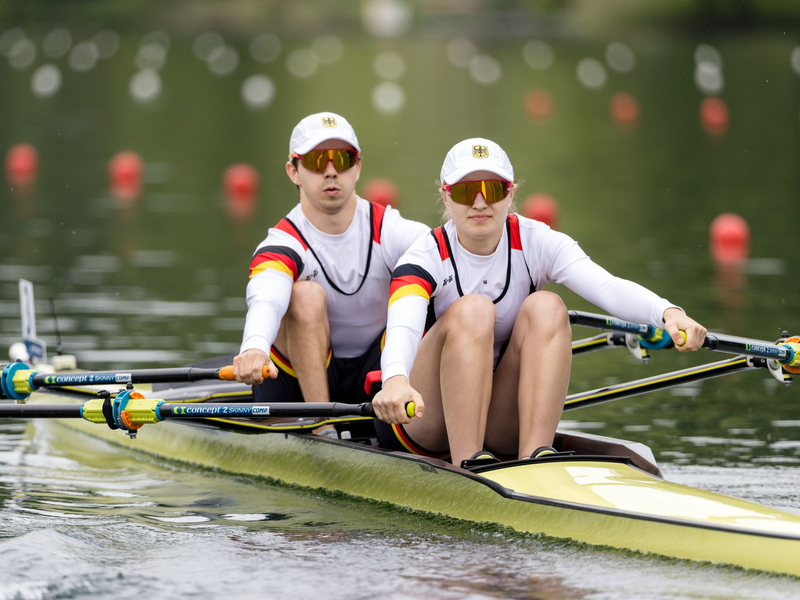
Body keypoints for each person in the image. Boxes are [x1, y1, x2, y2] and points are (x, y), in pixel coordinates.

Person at [372, 138, 707, 467]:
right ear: (446, 197)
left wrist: (668, 312)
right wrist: (395, 379)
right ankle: (468, 462)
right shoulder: (424, 256)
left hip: (499, 419)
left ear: (511, 193)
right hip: (423, 417)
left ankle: (536, 457)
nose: (478, 203)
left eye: (493, 190)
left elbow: (608, 287)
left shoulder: (538, 241)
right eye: (464, 191)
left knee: (548, 306)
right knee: (474, 310)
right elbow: (404, 323)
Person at [233, 112, 429, 426]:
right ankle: (321, 426)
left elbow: (448, 257)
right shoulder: (284, 242)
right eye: (315, 160)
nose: (330, 171)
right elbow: (267, 296)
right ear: (293, 171)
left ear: (357, 167)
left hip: (377, 375)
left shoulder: (390, 229)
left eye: (342, 158)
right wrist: (254, 346)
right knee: (304, 296)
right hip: (294, 386)